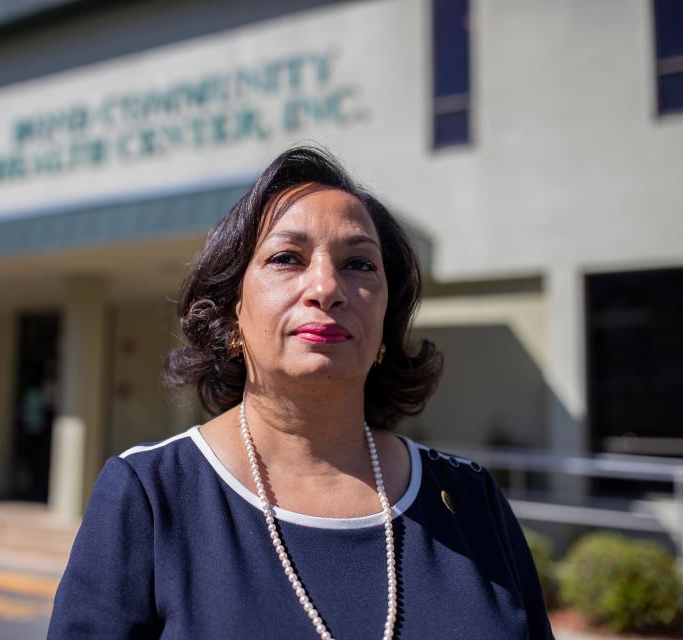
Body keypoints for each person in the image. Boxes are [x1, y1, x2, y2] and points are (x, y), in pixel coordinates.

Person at [47, 146, 554, 639]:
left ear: (386, 318)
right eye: (288, 258)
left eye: (360, 264)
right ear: (230, 314)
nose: (327, 287)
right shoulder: (149, 495)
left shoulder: (470, 499)